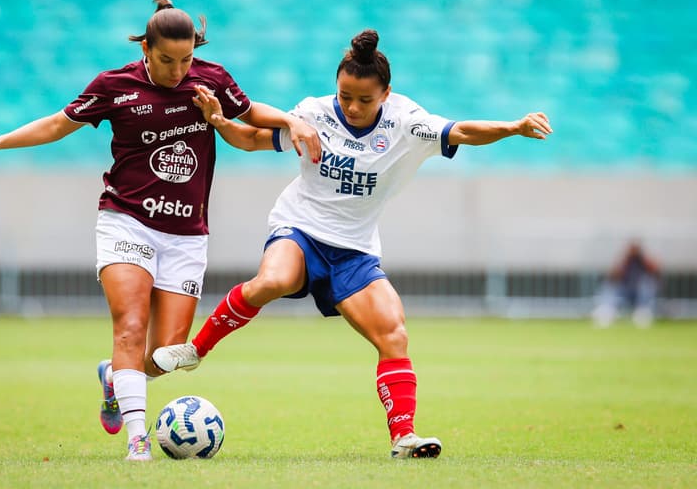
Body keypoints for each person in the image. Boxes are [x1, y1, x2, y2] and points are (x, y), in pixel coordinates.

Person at [0, 0, 320, 462]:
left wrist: (291, 120)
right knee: (130, 326)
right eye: (167, 60)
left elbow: (249, 118)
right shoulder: (114, 85)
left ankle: (113, 379)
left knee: (167, 353)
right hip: (127, 222)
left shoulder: (212, 80)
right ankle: (137, 438)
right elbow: (57, 125)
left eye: (187, 59)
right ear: (146, 48)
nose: (179, 70)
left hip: (186, 234)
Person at [153, 29, 553, 459]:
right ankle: (196, 349)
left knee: (394, 334)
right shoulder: (313, 113)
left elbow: (464, 132)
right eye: (345, 96)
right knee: (274, 279)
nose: (353, 106)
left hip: (355, 251)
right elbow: (251, 138)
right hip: (300, 228)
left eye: (365, 99)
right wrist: (219, 123)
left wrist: (513, 126)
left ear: (387, 94)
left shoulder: (407, 121)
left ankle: (403, 438)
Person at [592, 241, 661, 328]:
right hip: (625, 292)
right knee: (610, 287)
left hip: (640, 295)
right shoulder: (625, 261)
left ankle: (643, 312)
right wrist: (625, 261)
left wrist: (642, 259)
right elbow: (614, 276)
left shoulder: (644, 262)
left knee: (647, 284)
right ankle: (606, 311)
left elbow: (655, 272)